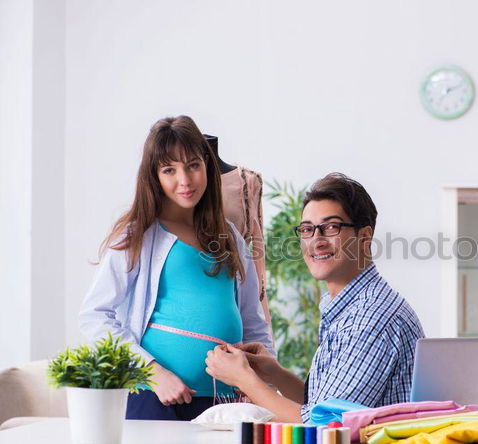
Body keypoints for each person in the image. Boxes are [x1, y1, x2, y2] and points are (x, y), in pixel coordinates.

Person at [78, 115, 274, 421]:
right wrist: (154, 373)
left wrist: (265, 387)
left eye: (193, 165)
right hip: (157, 398)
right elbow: (94, 316)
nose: (185, 180)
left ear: (207, 166)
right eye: (170, 169)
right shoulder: (138, 235)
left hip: (226, 403)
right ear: (153, 176)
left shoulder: (229, 236)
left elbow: (253, 320)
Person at [205, 173, 424, 422]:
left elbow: (323, 425)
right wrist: (274, 373)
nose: (316, 241)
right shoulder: (347, 306)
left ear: (364, 237)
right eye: (308, 230)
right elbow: (322, 405)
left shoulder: (371, 317)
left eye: (331, 227)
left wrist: (245, 379)